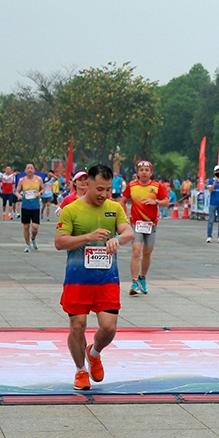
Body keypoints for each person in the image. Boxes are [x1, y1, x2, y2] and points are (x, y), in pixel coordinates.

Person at [54, 164, 133, 390]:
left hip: (106, 279)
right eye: (100, 189)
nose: (104, 194)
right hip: (77, 279)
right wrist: (88, 236)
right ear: (86, 184)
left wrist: (118, 238)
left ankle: (95, 352)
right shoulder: (71, 210)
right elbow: (60, 242)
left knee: (109, 327)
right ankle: (80, 370)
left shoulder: (114, 208)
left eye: (108, 189)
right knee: (77, 326)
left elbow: (128, 231)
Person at [122, 160, 169, 294]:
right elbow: (123, 200)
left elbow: (166, 202)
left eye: (146, 170)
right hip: (136, 223)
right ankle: (134, 282)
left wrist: (156, 202)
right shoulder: (131, 186)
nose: (144, 172)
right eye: (141, 170)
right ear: (137, 172)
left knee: (147, 253)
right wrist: (122, 217)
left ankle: (142, 277)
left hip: (151, 224)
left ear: (151, 173)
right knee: (136, 252)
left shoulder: (157, 186)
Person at [17, 164, 45, 252]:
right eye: (28, 168)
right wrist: (19, 196)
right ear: (25, 170)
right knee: (26, 226)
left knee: (35, 226)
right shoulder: (22, 180)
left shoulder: (38, 179)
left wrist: (40, 193)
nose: (29, 170)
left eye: (31, 168)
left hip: (35, 206)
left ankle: (33, 238)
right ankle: (27, 245)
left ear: (34, 170)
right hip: (25, 206)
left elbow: (43, 189)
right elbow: (17, 191)